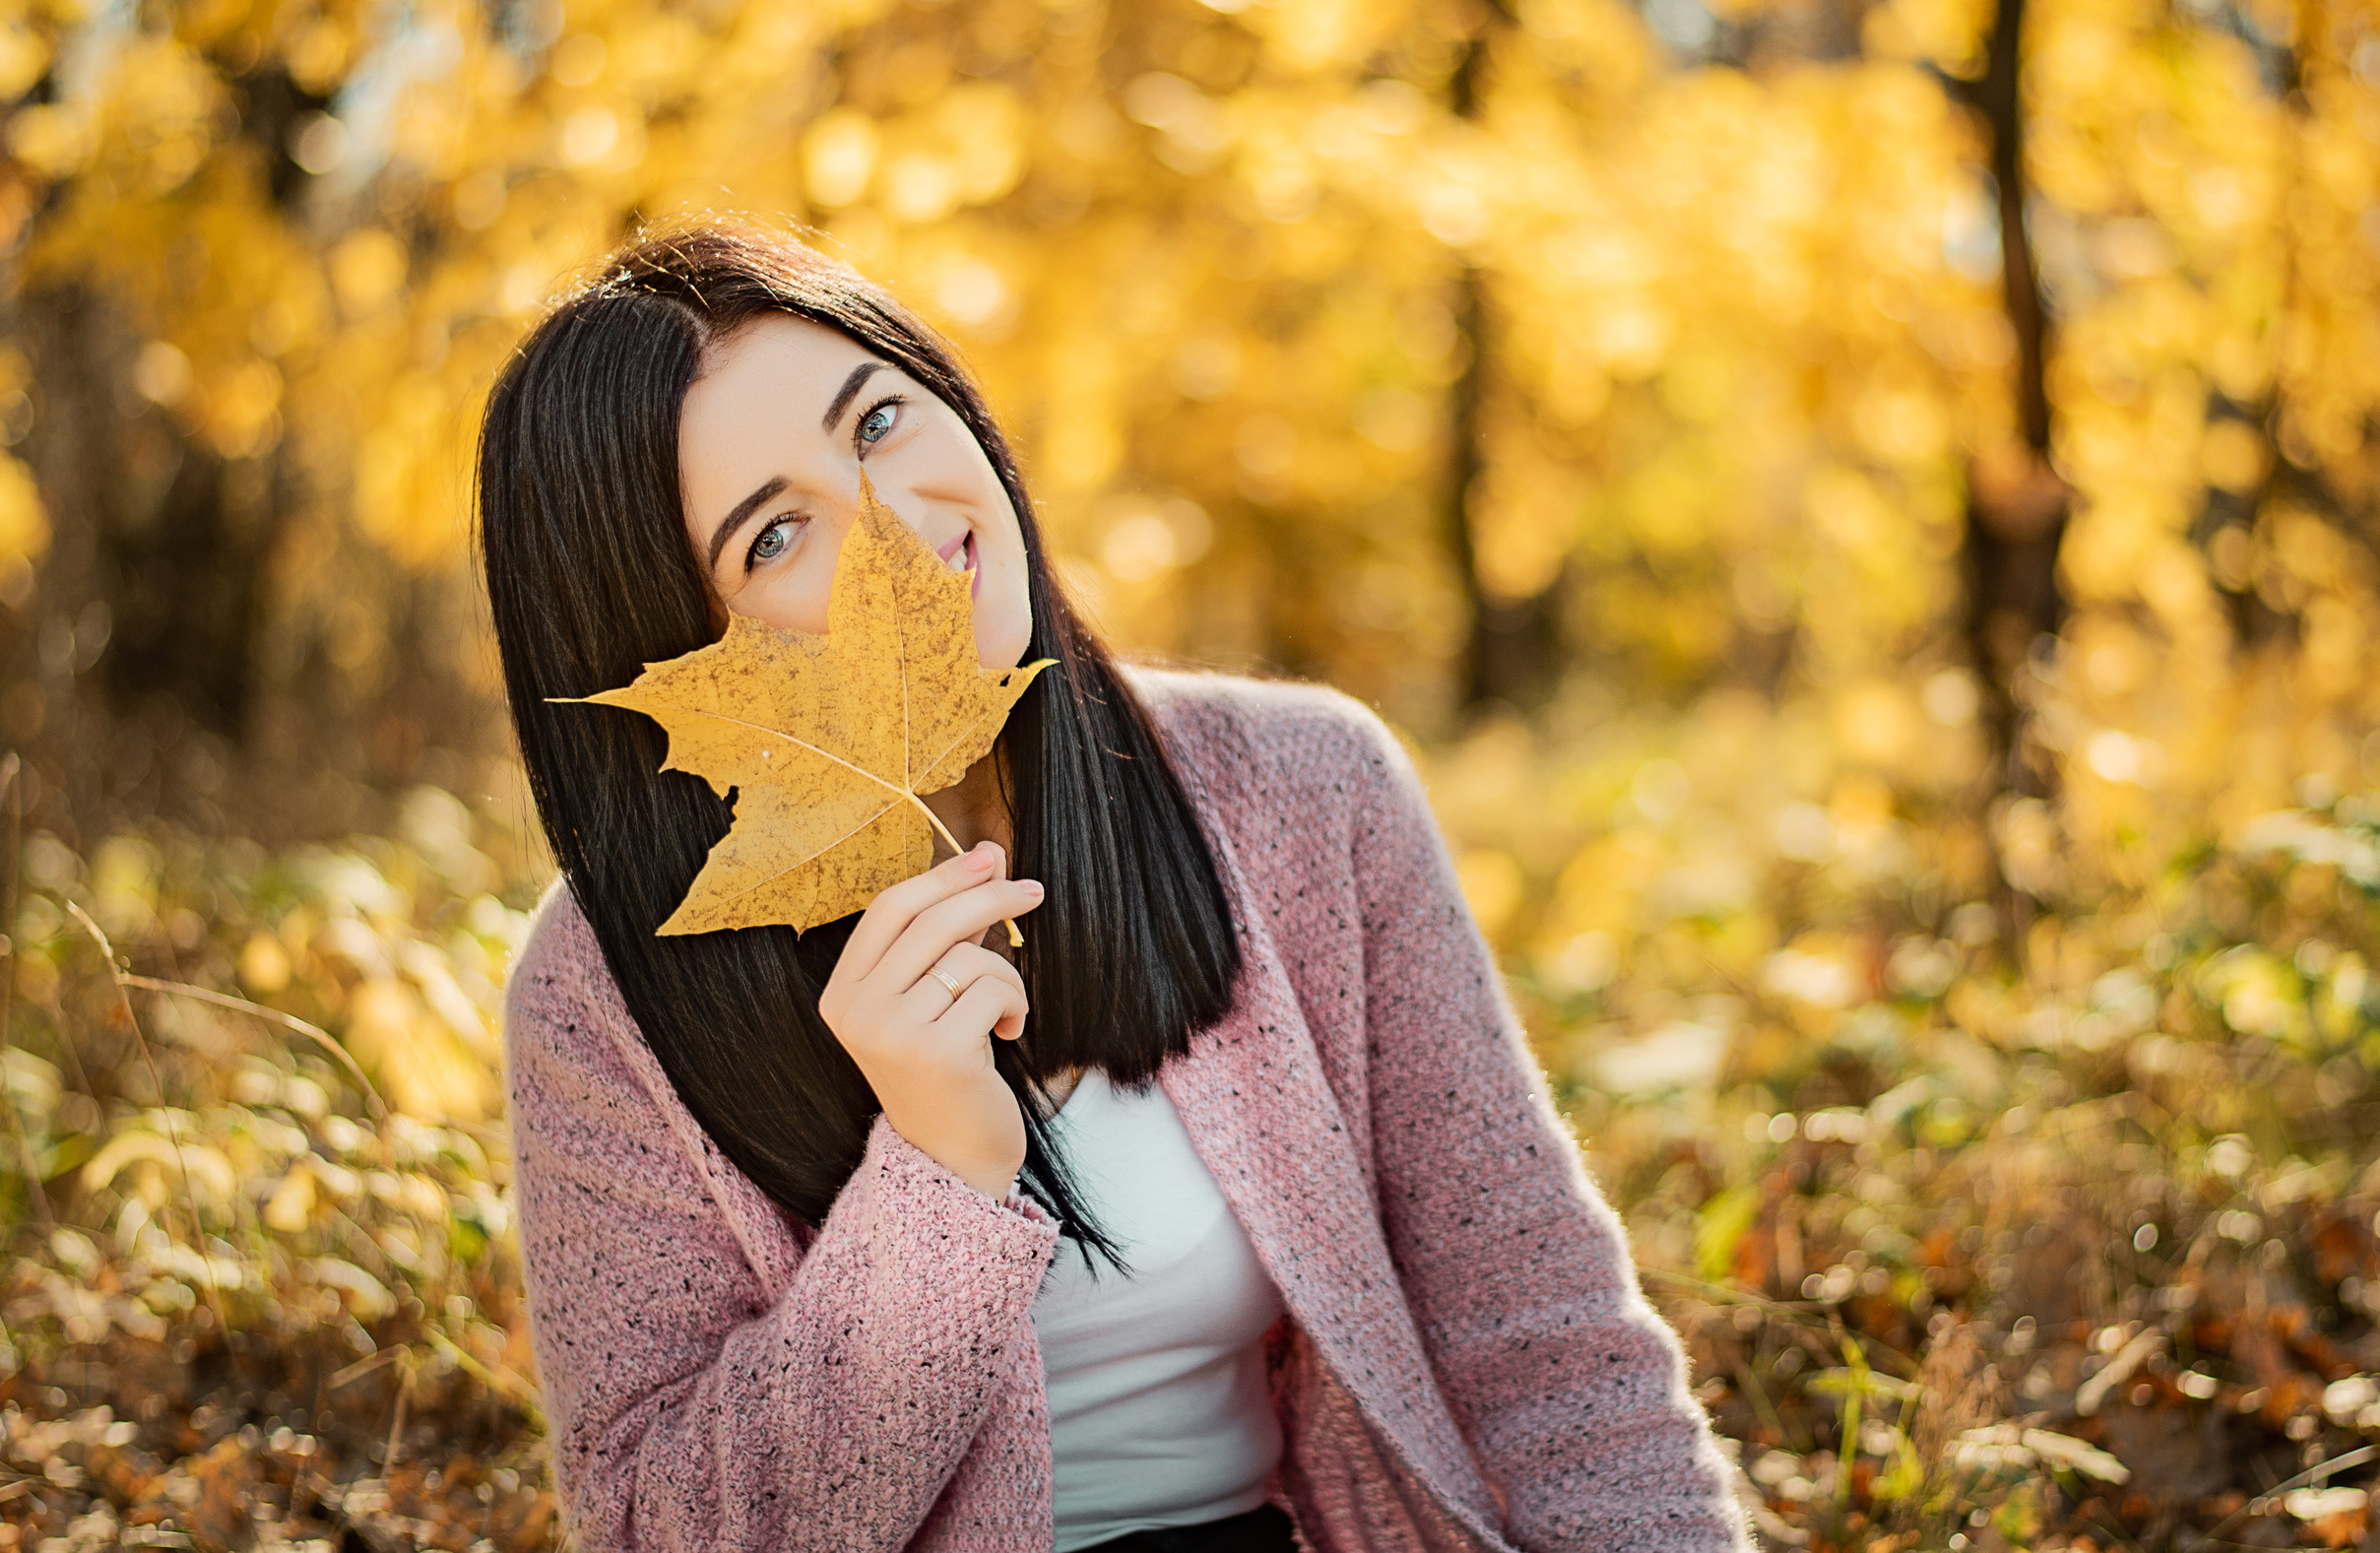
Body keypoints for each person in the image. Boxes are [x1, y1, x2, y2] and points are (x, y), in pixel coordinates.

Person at [476, 226, 1753, 1553]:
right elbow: (658, 1529)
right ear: (671, 655)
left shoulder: (1305, 790)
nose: (894, 526)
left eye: (879, 420)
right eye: (778, 533)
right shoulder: (599, 996)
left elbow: (1545, 1340)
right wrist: (936, 1176)